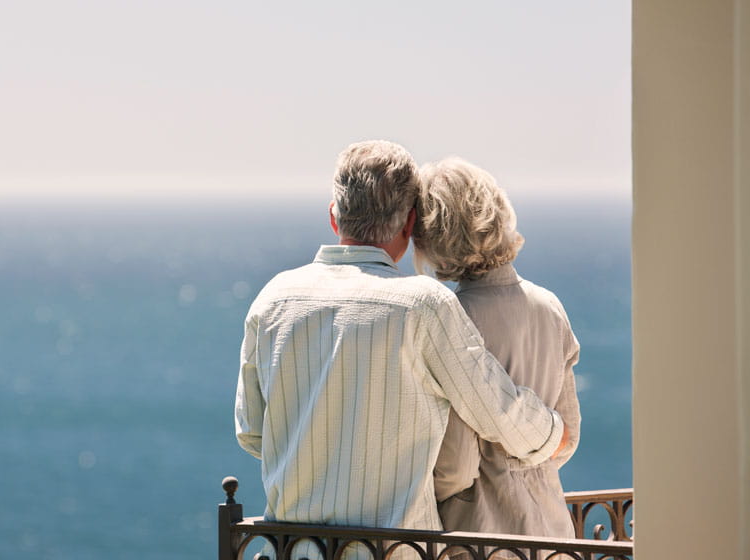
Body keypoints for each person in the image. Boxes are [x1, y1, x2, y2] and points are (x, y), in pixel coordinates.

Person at [234, 141, 568, 555]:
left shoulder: (273, 299)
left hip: (295, 550)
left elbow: (251, 432)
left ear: (334, 216)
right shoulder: (424, 305)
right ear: (409, 225)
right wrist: (554, 432)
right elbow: (497, 410)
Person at [414, 158, 581, 546]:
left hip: (482, 531)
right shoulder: (550, 306)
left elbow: (455, 466)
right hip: (553, 528)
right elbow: (567, 438)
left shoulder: (452, 319)